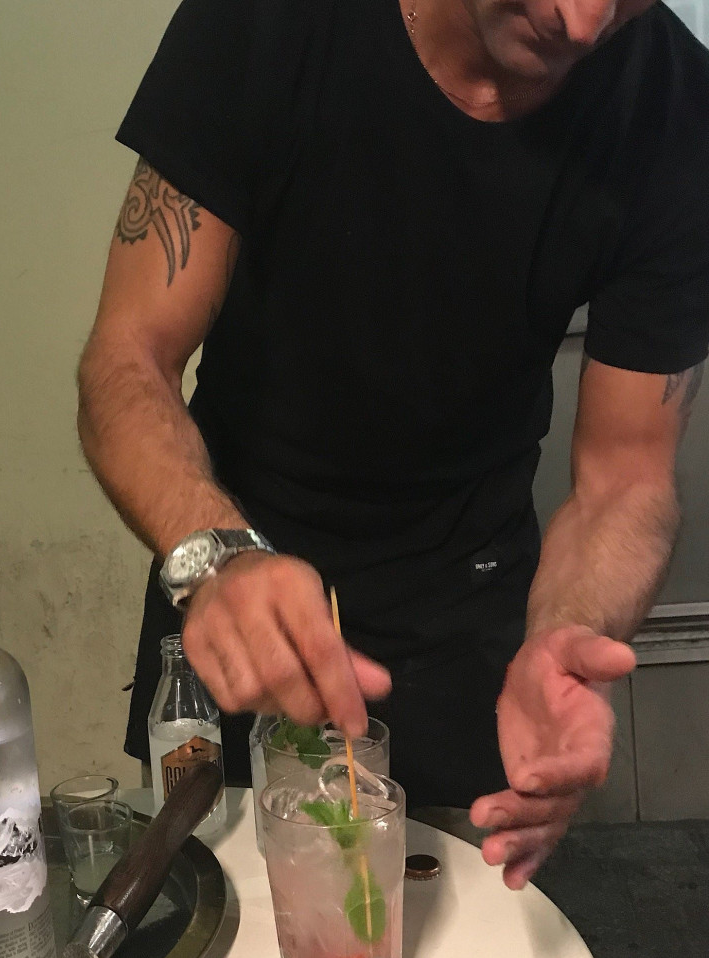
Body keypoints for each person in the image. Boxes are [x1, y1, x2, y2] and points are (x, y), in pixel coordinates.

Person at [77, 0, 709, 889]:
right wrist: (214, 557)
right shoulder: (266, 21)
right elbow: (127, 357)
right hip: (239, 580)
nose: (580, 22)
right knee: (220, 928)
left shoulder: (678, 112)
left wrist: (568, 633)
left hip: (469, 615)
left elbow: (626, 480)